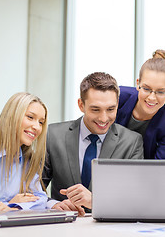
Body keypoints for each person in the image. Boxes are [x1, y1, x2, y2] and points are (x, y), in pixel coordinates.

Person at [43, 72, 144, 216]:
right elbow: (33, 186)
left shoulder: (132, 142)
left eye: (110, 109)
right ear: (81, 105)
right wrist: (53, 204)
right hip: (62, 226)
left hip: (109, 228)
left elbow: (135, 198)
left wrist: (95, 201)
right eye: (95, 109)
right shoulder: (53, 134)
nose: (104, 118)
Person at [115, 49, 165, 159]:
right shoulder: (118, 97)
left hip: (145, 173)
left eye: (160, 92)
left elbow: (160, 166)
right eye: (146, 89)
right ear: (138, 84)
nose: (152, 97)